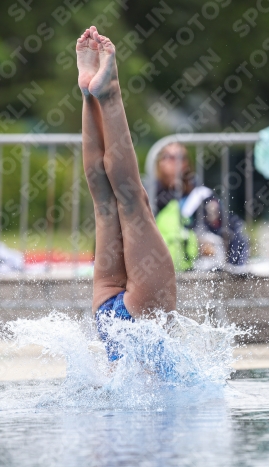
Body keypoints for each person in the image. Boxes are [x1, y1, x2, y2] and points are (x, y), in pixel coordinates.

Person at [76, 27, 176, 362]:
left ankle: (107, 93)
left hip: (138, 317)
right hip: (105, 313)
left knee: (132, 204)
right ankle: (88, 93)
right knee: (104, 205)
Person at [156, 143, 249, 267]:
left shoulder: (201, 196)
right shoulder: (150, 192)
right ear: (160, 162)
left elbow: (225, 230)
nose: (175, 162)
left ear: (187, 163)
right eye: (169, 157)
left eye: (180, 157)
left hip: (197, 266)